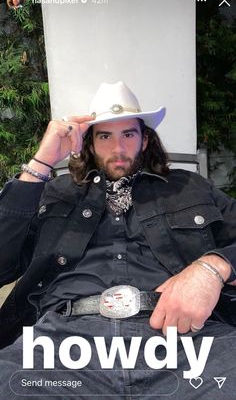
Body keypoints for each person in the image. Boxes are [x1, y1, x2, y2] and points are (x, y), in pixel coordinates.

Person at [0, 81, 236, 399]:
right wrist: (41, 162)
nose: (118, 148)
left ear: (145, 139)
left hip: (185, 340)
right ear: (90, 144)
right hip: (61, 346)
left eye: (128, 134)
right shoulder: (55, 192)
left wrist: (213, 267)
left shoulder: (190, 187)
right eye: (105, 136)